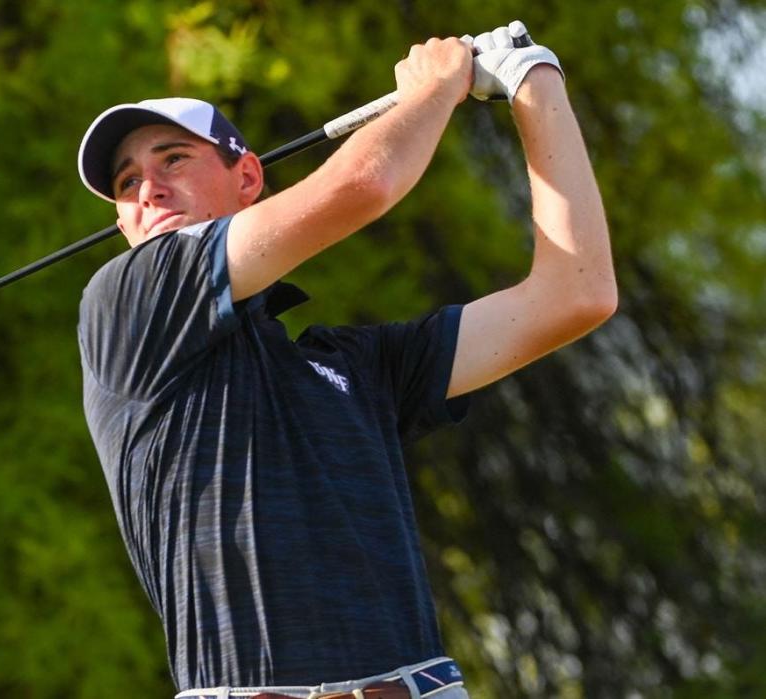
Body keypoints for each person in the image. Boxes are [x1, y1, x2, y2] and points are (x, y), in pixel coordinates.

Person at [75, 22, 616, 699]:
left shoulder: (358, 366)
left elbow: (577, 292)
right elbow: (366, 183)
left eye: (173, 159)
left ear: (247, 177)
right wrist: (434, 90)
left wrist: (534, 81)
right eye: (128, 182)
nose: (146, 188)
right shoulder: (126, 300)